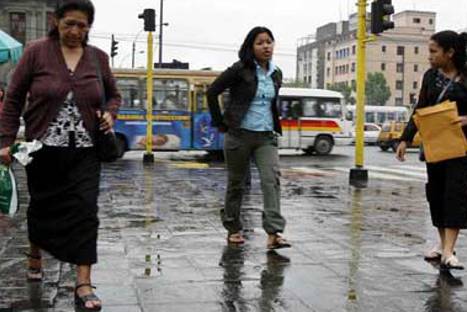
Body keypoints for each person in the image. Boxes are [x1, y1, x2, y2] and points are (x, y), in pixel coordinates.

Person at [0, 0, 121, 310]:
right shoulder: (36, 52)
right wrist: (5, 141)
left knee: (85, 210)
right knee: (42, 207)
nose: (75, 30)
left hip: (85, 151)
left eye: (82, 25)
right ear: (56, 21)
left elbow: (113, 95)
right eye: (69, 23)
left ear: (89, 27)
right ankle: (35, 253)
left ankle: (83, 282)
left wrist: (109, 113)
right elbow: (13, 98)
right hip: (43, 149)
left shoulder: (97, 58)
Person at [207, 26, 290, 249]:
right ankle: (233, 227)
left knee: (271, 180)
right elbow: (212, 91)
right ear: (251, 47)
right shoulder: (239, 70)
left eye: (269, 42)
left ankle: (274, 232)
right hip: (239, 135)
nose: (266, 46)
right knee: (237, 184)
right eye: (260, 43)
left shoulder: (276, 73)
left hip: (266, 137)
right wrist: (220, 122)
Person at [396, 30, 467, 270]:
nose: (429, 56)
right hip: (434, 145)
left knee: (454, 196)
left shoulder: (465, 77)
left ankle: (449, 250)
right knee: (435, 194)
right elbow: (420, 109)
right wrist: (405, 139)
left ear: (450, 53)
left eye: (434, 51)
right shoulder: (430, 77)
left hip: (460, 147)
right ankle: (442, 244)